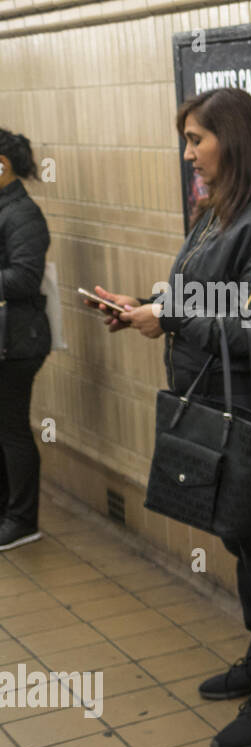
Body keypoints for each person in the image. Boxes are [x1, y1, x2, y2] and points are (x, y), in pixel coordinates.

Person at [85, 88, 251, 747]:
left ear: (231, 140)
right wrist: (144, 307)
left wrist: (172, 317)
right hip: (213, 399)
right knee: (241, 533)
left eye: (196, 139)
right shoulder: (219, 213)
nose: (188, 153)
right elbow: (201, 298)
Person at [0, 129, 51, 552]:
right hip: (7, 337)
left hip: (17, 341)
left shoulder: (22, 214)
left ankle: (22, 519)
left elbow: (24, 278)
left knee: (12, 428)